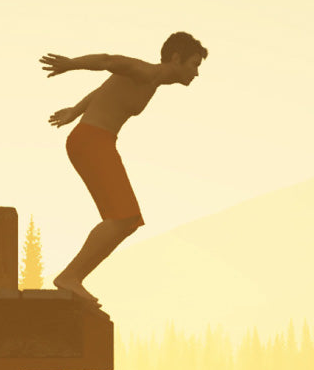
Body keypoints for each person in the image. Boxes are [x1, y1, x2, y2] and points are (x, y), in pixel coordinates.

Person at [40, 31, 207, 304]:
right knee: (124, 217)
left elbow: (105, 88)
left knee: (125, 220)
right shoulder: (144, 71)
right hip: (92, 141)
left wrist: (75, 110)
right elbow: (109, 60)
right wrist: (71, 64)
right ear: (176, 58)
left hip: (97, 141)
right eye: (194, 65)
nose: (196, 74)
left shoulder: (151, 82)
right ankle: (70, 277)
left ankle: (72, 276)